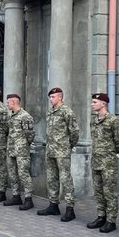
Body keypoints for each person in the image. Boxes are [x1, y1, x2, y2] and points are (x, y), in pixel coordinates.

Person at [38, 87, 79, 221]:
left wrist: (68, 145)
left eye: (53, 97)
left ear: (60, 97)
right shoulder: (50, 112)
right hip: (50, 150)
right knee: (51, 178)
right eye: (50, 97)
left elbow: (74, 132)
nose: (51, 99)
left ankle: (69, 208)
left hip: (62, 151)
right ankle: (53, 205)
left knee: (65, 179)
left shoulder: (66, 112)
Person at [87, 93, 119, 233]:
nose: (92, 104)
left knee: (109, 192)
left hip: (108, 162)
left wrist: (111, 153)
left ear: (103, 104)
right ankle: (101, 216)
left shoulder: (113, 121)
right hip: (96, 161)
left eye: (95, 102)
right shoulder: (94, 120)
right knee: (98, 191)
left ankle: (111, 221)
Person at [4, 94, 35, 209]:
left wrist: (24, 145)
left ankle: (28, 199)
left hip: (21, 150)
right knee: (12, 174)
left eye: (8, 102)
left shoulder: (25, 116)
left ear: (14, 102)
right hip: (11, 149)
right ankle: (16, 196)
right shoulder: (11, 116)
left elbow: (30, 134)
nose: (7, 104)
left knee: (23, 174)